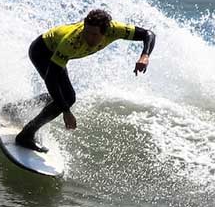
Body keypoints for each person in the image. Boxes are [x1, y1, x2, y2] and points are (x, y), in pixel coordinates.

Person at [15, 9, 156, 152]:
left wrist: (145, 55)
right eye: (86, 32)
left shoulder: (115, 30)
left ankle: (18, 108)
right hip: (42, 52)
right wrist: (66, 112)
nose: (89, 37)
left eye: (94, 34)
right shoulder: (72, 41)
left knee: (62, 96)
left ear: (105, 32)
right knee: (67, 98)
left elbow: (148, 34)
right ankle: (26, 135)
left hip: (56, 54)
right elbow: (50, 79)